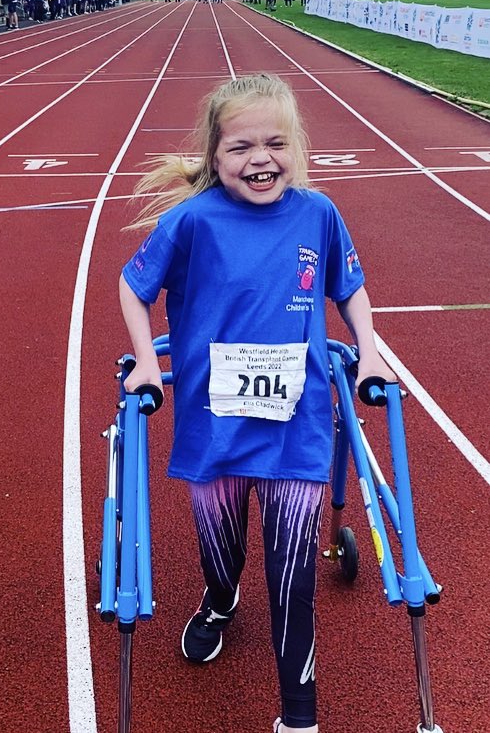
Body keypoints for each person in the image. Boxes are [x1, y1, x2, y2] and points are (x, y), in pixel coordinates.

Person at [118, 73, 395, 733]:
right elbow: (134, 289)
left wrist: (371, 349)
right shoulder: (190, 220)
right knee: (222, 551)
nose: (260, 159)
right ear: (215, 155)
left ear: (297, 146)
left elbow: (348, 286)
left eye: (275, 143)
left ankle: (299, 718)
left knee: (294, 580)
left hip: (296, 427)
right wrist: (148, 365)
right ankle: (219, 599)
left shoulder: (318, 213)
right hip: (213, 424)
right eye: (241, 147)